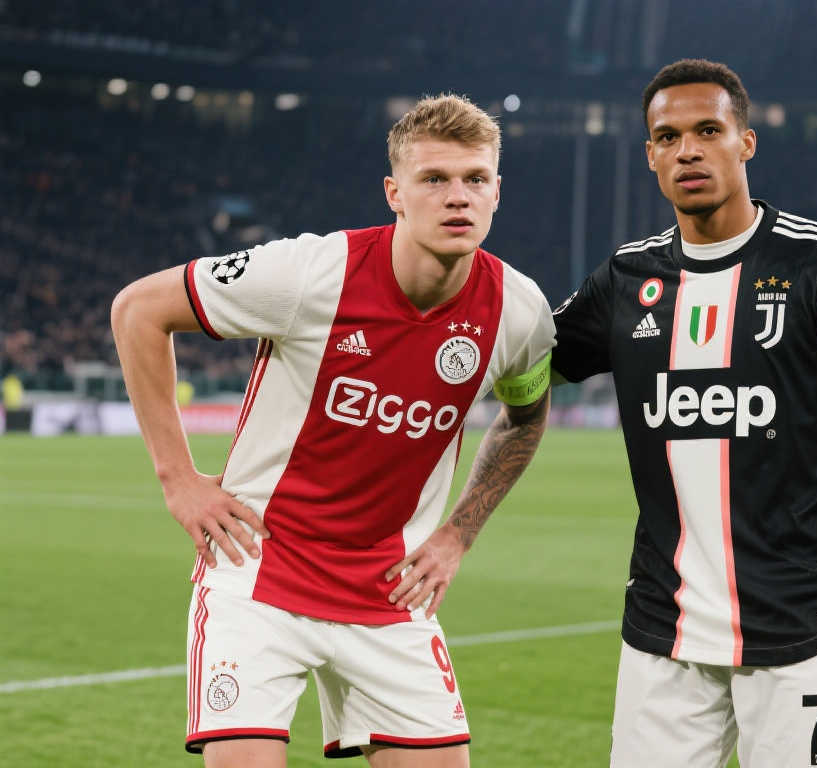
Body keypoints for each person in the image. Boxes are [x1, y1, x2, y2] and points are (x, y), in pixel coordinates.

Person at [111, 94, 554, 768]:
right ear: (394, 193)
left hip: (390, 592)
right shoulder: (310, 273)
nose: (457, 196)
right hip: (260, 574)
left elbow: (526, 417)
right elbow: (138, 310)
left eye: (475, 178)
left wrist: (459, 533)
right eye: (434, 179)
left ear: (498, 191)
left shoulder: (520, 313)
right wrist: (178, 479)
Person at [551, 59, 817, 767]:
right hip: (663, 638)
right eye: (668, 138)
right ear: (650, 156)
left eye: (708, 130)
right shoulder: (627, 280)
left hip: (799, 636)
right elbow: (518, 363)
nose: (687, 151)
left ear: (746, 142)